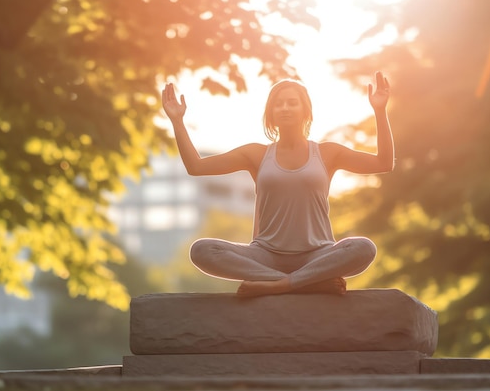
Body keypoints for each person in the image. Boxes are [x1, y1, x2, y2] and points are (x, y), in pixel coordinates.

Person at [161, 71, 394, 298]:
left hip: (317, 254)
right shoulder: (256, 154)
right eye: (278, 104)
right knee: (202, 250)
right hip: (265, 256)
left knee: (364, 248)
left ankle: (279, 284)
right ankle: (306, 284)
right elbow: (197, 167)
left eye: (292, 103)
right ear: (270, 113)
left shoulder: (326, 153)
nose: (284, 108)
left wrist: (380, 111)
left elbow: (383, 163)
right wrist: (177, 121)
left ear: (306, 110)